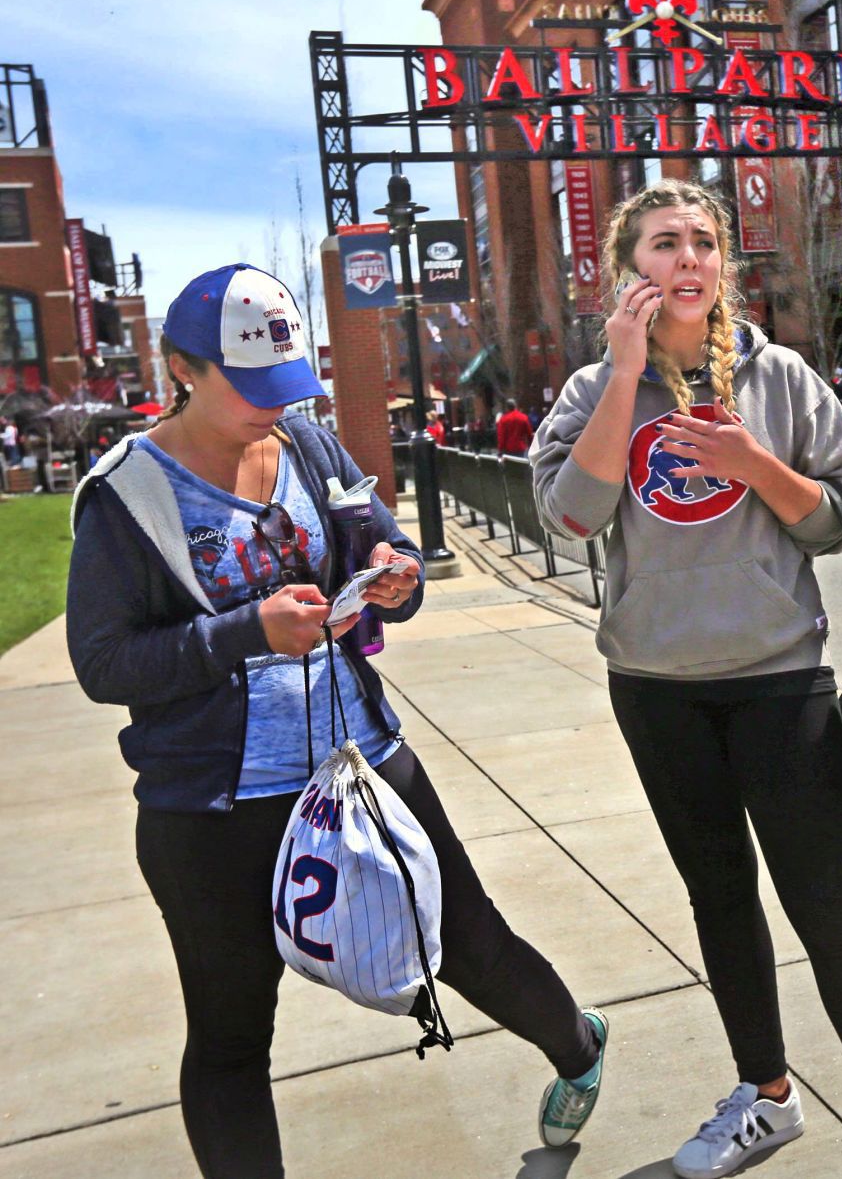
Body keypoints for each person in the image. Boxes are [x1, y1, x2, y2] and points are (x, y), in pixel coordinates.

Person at [66, 263, 608, 1179]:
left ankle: (578, 1048)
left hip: (363, 759)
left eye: (283, 386)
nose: (269, 409)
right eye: (247, 387)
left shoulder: (313, 450)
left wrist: (397, 580)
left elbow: (379, 555)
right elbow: (104, 664)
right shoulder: (128, 496)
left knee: (469, 940)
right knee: (232, 1033)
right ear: (180, 367)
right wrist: (248, 632)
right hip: (211, 807)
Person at [530, 179, 842, 1179]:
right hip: (655, 685)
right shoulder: (594, 391)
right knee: (719, 896)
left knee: (821, 902)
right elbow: (570, 517)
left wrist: (753, 461)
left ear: (722, 266)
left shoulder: (779, 378)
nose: (686, 261)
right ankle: (764, 1098)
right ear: (627, 269)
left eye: (702, 243)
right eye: (663, 244)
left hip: (776, 681)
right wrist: (623, 377)